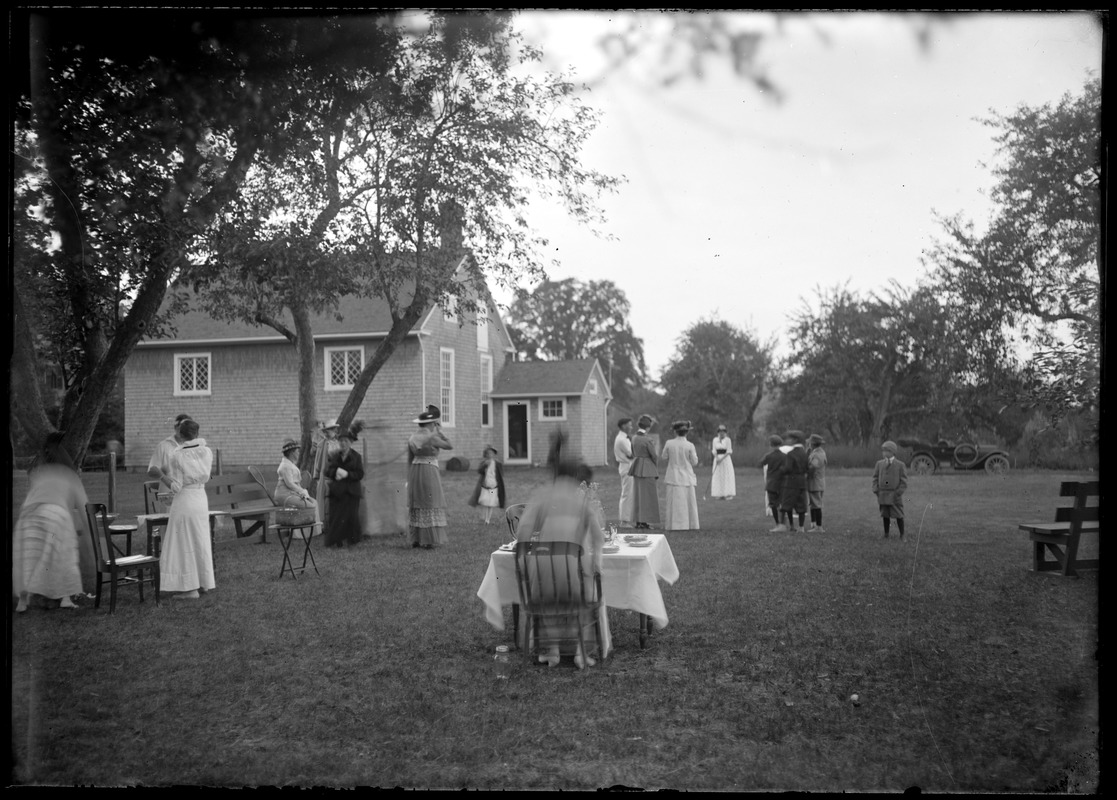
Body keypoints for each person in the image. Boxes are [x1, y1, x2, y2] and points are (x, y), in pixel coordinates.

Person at [515, 431, 608, 669]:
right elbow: (599, 537)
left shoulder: (542, 497)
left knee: (547, 594)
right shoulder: (582, 501)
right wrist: (595, 561)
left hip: (542, 586)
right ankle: (579, 652)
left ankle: (553, 651)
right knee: (586, 586)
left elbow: (522, 534)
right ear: (577, 477)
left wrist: (532, 553)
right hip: (574, 585)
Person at [13, 432, 91, 612]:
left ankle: (23, 601)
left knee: (29, 557)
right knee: (64, 554)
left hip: (28, 517)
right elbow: (84, 508)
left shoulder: (43, 475)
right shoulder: (71, 477)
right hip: (55, 515)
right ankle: (65, 598)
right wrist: (89, 539)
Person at [157, 419, 214, 600]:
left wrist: (163, 477)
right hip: (201, 500)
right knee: (199, 539)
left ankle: (190, 589)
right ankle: (202, 583)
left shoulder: (178, 455)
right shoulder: (206, 451)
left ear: (180, 435)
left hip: (185, 500)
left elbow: (177, 486)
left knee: (183, 542)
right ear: (196, 433)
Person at [407, 405, 453, 549]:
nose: (435, 425)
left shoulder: (412, 437)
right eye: (434, 423)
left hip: (415, 469)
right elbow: (449, 445)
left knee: (418, 503)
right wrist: (440, 432)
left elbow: (410, 458)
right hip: (429, 469)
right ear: (429, 424)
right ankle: (428, 540)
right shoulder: (432, 437)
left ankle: (416, 539)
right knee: (430, 501)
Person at [324, 423, 365, 548]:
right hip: (337, 491)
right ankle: (337, 540)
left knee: (352, 516)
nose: (343, 443)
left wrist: (347, 474)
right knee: (336, 516)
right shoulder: (335, 456)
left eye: (345, 441)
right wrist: (335, 472)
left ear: (350, 442)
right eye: (341, 441)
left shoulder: (356, 456)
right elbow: (327, 471)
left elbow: (360, 474)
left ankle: (352, 540)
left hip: (352, 491)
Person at [660, 420, 700, 531]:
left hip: (673, 476)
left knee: (674, 501)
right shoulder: (690, 445)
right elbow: (694, 462)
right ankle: (690, 525)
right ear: (687, 432)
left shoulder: (669, 443)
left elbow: (664, 456)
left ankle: (673, 525)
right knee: (688, 501)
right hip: (686, 476)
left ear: (675, 432)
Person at [772, 430, 809, 533]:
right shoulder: (805, 454)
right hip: (802, 482)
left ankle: (782, 525)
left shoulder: (791, 454)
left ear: (795, 440)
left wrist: (780, 469)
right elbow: (807, 468)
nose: (788, 440)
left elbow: (787, 468)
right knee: (801, 505)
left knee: (785, 504)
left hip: (791, 483)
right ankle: (801, 527)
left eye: (790, 438)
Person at [628, 414, 660, 530]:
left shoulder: (633, 438)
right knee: (647, 496)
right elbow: (654, 456)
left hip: (636, 467)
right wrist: (655, 467)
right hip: (647, 468)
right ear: (648, 427)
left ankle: (638, 521)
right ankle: (644, 522)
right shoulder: (648, 440)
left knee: (637, 496)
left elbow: (632, 453)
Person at [311, 419, 342, 528]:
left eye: (331, 430)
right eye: (327, 430)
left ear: (335, 430)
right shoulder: (323, 444)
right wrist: (317, 474)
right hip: (326, 476)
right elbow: (318, 461)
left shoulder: (339, 443)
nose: (328, 432)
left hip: (337, 476)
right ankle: (325, 525)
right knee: (326, 501)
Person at [873, 440, 908, 539]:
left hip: (895, 495)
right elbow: (875, 478)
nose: (884, 453)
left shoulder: (900, 465)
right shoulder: (879, 464)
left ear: (893, 452)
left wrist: (898, 493)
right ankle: (886, 534)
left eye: (886, 451)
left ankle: (902, 534)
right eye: (883, 451)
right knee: (885, 514)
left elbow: (904, 481)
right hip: (882, 494)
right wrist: (876, 490)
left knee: (899, 514)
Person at [275, 438, 317, 517]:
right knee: (311, 506)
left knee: (314, 502)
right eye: (297, 451)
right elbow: (290, 484)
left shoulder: (290, 464)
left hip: (292, 494)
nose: (299, 453)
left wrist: (304, 493)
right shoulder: (285, 466)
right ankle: (303, 527)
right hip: (284, 496)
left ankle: (315, 528)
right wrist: (302, 491)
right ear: (292, 453)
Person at [147, 413, 192, 483]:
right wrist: (163, 475)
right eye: (181, 428)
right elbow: (151, 472)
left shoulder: (196, 447)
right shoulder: (163, 446)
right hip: (168, 491)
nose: (183, 432)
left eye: (187, 429)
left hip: (190, 490)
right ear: (175, 428)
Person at [468, 445, 506, 524]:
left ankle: (487, 519)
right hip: (485, 486)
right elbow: (479, 471)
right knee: (484, 501)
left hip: (493, 487)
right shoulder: (484, 463)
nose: (489, 455)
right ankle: (484, 516)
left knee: (490, 502)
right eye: (488, 453)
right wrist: (485, 465)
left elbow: (500, 474)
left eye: (491, 453)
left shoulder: (497, 464)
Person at [613, 418, 635, 527]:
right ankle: (624, 521)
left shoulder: (624, 438)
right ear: (623, 426)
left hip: (628, 466)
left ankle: (626, 520)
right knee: (627, 494)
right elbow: (631, 454)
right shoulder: (621, 439)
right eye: (629, 425)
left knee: (628, 493)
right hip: (627, 467)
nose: (631, 427)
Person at [759, 434, 785, 524]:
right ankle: (783, 523)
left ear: (771, 444)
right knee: (781, 503)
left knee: (773, 504)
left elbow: (760, 463)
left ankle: (777, 523)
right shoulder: (784, 456)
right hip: (782, 483)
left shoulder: (769, 456)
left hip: (772, 483)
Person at [806, 434, 828, 532]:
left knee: (816, 504)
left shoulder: (816, 455)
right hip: (820, 482)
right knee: (814, 503)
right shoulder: (821, 452)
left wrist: (807, 473)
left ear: (813, 444)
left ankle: (819, 527)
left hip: (815, 482)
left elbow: (813, 466)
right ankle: (814, 524)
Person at [710, 424, 736, 500]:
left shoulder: (728, 440)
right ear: (718, 432)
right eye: (720, 432)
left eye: (723, 432)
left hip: (726, 459)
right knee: (718, 475)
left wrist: (721, 459)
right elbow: (714, 450)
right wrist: (717, 458)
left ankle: (727, 494)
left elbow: (729, 451)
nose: (721, 433)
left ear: (725, 432)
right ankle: (719, 493)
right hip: (717, 459)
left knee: (726, 475)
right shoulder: (715, 440)